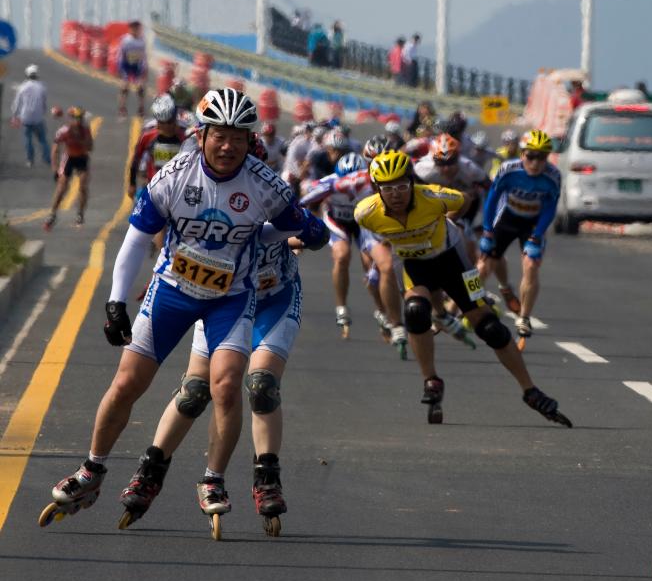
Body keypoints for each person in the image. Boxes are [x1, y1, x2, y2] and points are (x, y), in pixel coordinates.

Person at [39, 88, 328, 532]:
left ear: (250, 140)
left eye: (238, 137)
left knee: (228, 386)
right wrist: (116, 299)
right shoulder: (174, 175)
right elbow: (136, 239)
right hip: (173, 289)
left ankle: (213, 479)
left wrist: (310, 232)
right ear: (202, 134)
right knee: (127, 382)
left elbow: (293, 227)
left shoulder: (265, 184)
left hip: (231, 297)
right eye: (219, 136)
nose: (228, 146)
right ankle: (92, 471)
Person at [117, 137, 312, 537]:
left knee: (260, 386)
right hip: (222, 299)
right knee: (194, 391)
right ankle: (150, 469)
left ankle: (266, 477)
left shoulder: (271, 199)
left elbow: (304, 227)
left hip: (271, 301)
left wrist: (309, 231)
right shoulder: (206, 199)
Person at [354, 150, 571, 427]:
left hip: (453, 260)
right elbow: (368, 247)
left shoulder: (433, 197)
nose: (395, 194)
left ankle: (530, 390)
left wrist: (450, 220)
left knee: (490, 328)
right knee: (416, 312)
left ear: (412, 182)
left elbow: (466, 199)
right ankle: (431, 380)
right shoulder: (366, 213)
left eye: (401, 186)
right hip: (413, 264)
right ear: (376, 189)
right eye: (387, 188)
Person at [477, 129, 561, 346]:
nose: (535, 162)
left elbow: (550, 209)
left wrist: (538, 235)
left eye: (541, 157)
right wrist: (487, 230)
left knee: (531, 265)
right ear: (522, 154)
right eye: (530, 156)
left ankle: (524, 317)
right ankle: (464, 304)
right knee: (483, 266)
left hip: (532, 223)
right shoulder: (508, 170)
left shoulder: (552, 176)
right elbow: (492, 200)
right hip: (507, 217)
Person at [299, 151, 390, 339]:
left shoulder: (371, 182)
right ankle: (341, 307)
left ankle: (382, 310)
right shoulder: (330, 182)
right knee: (341, 256)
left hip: (362, 222)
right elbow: (305, 193)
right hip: (337, 220)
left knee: (372, 266)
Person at [127, 94, 187, 199]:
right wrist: (132, 184)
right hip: (153, 188)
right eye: (161, 123)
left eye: (169, 122)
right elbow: (136, 159)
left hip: (178, 190)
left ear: (174, 120)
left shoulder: (185, 136)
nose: (166, 127)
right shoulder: (147, 135)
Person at [45, 107, 94, 231]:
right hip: (69, 158)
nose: (77, 121)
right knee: (62, 187)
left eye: (80, 119)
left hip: (82, 157)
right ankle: (52, 214)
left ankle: (80, 214)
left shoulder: (85, 130)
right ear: (71, 119)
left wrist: (83, 141)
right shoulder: (64, 131)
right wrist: (55, 169)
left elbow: (90, 147)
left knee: (83, 186)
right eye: (75, 118)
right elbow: (55, 150)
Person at [9, 63, 50, 168]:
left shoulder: (23, 87)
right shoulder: (41, 87)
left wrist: (14, 115)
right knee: (42, 139)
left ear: (27, 75)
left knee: (28, 140)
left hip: (25, 117)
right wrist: (43, 112)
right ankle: (47, 159)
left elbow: (17, 103)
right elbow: (44, 102)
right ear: (37, 74)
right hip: (38, 118)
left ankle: (30, 160)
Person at [117, 20, 148, 118]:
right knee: (125, 87)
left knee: (140, 88)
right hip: (126, 65)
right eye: (135, 29)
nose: (137, 31)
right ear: (131, 29)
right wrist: (120, 69)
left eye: (138, 29)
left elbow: (144, 56)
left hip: (137, 66)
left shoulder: (142, 40)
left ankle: (141, 108)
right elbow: (121, 55)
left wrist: (145, 69)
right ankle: (122, 108)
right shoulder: (126, 40)